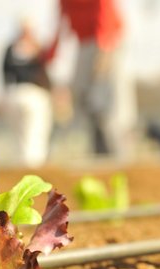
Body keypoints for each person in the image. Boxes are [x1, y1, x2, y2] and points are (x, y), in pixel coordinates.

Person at [58, 0, 137, 159]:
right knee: (82, 96)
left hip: (110, 41)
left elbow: (105, 14)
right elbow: (61, 24)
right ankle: (97, 153)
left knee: (108, 102)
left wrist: (104, 50)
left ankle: (119, 155)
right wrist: (49, 55)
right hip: (84, 42)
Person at [2, 18, 57, 167]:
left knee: (22, 135)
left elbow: (4, 74)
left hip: (15, 94)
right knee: (36, 132)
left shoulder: (10, 48)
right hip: (34, 95)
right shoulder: (36, 48)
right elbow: (46, 68)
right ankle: (33, 166)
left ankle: (23, 163)